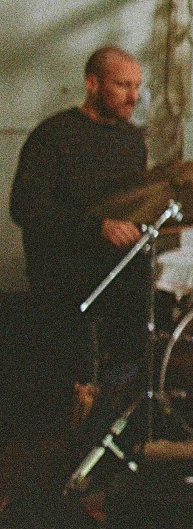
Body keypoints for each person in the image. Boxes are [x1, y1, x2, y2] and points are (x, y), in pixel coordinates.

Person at [9, 47, 150, 400]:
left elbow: (133, 204)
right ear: (92, 84)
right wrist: (96, 227)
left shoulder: (132, 141)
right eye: (122, 85)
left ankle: (118, 406)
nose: (133, 97)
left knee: (148, 298)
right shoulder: (53, 135)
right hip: (62, 269)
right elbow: (24, 206)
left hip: (116, 269)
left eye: (137, 86)